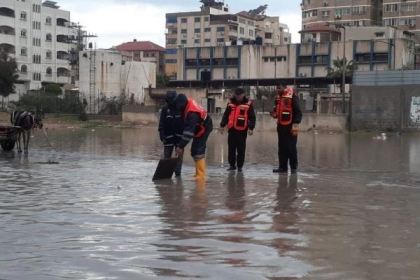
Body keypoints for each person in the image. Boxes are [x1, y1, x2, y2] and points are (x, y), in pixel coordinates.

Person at [173, 94, 213, 179]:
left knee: (198, 150)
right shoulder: (188, 102)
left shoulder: (192, 114)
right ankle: (198, 173)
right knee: (194, 150)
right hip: (198, 126)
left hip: (204, 127)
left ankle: (201, 176)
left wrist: (180, 146)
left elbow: (188, 134)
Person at [218, 87, 256, 172]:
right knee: (231, 148)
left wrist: (251, 128)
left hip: (242, 131)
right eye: (236, 94)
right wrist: (222, 126)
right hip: (232, 130)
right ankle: (232, 165)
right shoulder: (230, 104)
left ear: (243, 95)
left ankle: (239, 166)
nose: (238, 96)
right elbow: (226, 116)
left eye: (239, 94)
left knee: (241, 149)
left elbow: (252, 117)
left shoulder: (248, 104)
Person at [270, 84, 302, 174]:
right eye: (277, 88)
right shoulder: (277, 98)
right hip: (281, 126)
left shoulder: (292, 95)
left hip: (293, 125)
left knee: (291, 147)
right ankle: (282, 167)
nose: (278, 90)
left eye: (279, 88)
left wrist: (296, 124)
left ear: (284, 87)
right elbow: (276, 110)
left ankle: (293, 168)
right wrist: (274, 114)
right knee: (282, 147)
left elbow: (298, 111)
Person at [158, 90, 184, 177]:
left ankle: (178, 176)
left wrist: (182, 140)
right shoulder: (165, 109)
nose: (171, 102)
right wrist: (162, 135)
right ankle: (166, 176)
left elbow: (184, 123)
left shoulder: (180, 108)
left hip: (179, 140)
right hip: (168, 139)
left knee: (179, 160)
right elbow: (161, 123)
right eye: (169, 100)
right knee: (166, 159)